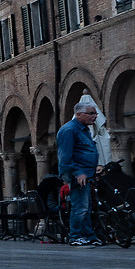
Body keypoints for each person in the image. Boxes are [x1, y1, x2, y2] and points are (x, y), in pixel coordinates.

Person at [56, 97, 102, 246]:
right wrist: (78, 172)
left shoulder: (83, 129)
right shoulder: (69, 130)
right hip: (77, 173)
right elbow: (65, 156)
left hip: (85, 172)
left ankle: (89, 235)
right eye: (91, 113)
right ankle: (75, 236)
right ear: (79, 114)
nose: (95, 116)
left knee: (85, 206)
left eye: (95, 113)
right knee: (80, 206)